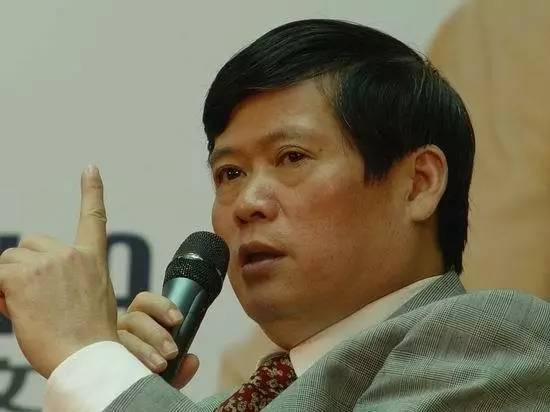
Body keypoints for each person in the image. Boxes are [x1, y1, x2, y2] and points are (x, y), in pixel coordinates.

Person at [0, 19, 549, 411]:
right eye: (229, 173)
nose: (246, 203)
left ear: (419, 183)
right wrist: (122, 383)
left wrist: (91, 364)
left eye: (292, 158)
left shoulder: (497, 340)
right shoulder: (221, 401)